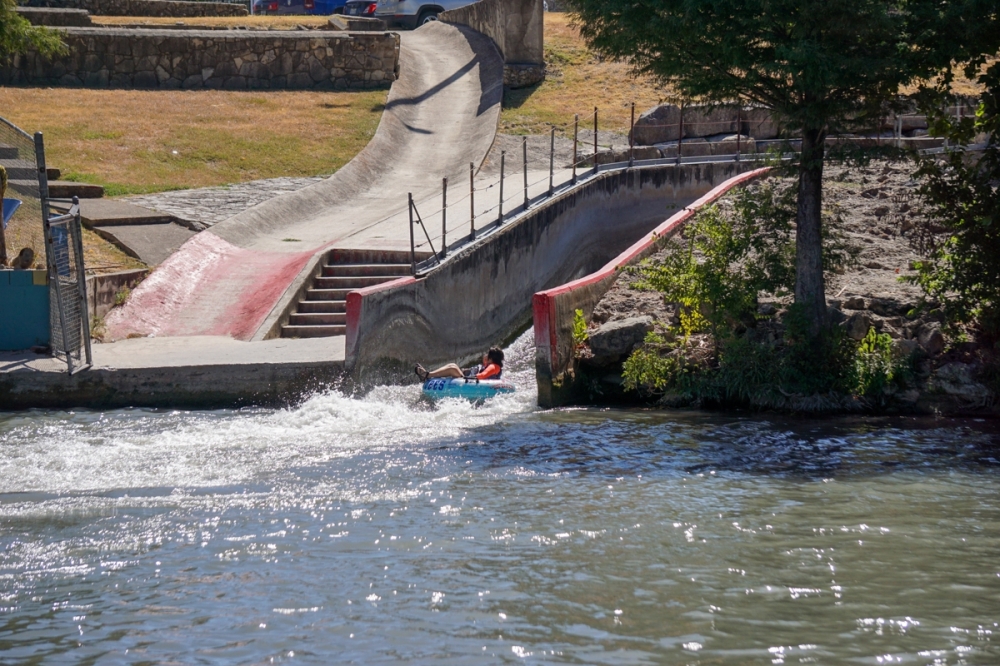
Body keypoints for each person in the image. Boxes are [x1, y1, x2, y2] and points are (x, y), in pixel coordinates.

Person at [416, 347, 504, 382]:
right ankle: (429, 375)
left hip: (470, 382)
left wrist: (468, 378)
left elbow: (483, 375)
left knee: (453, 369)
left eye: (487, 354)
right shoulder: (487, 366)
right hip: (470, 380)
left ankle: (427, 375)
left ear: (491, 359)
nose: (485, 355)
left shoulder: (494, 366)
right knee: (453, 365)